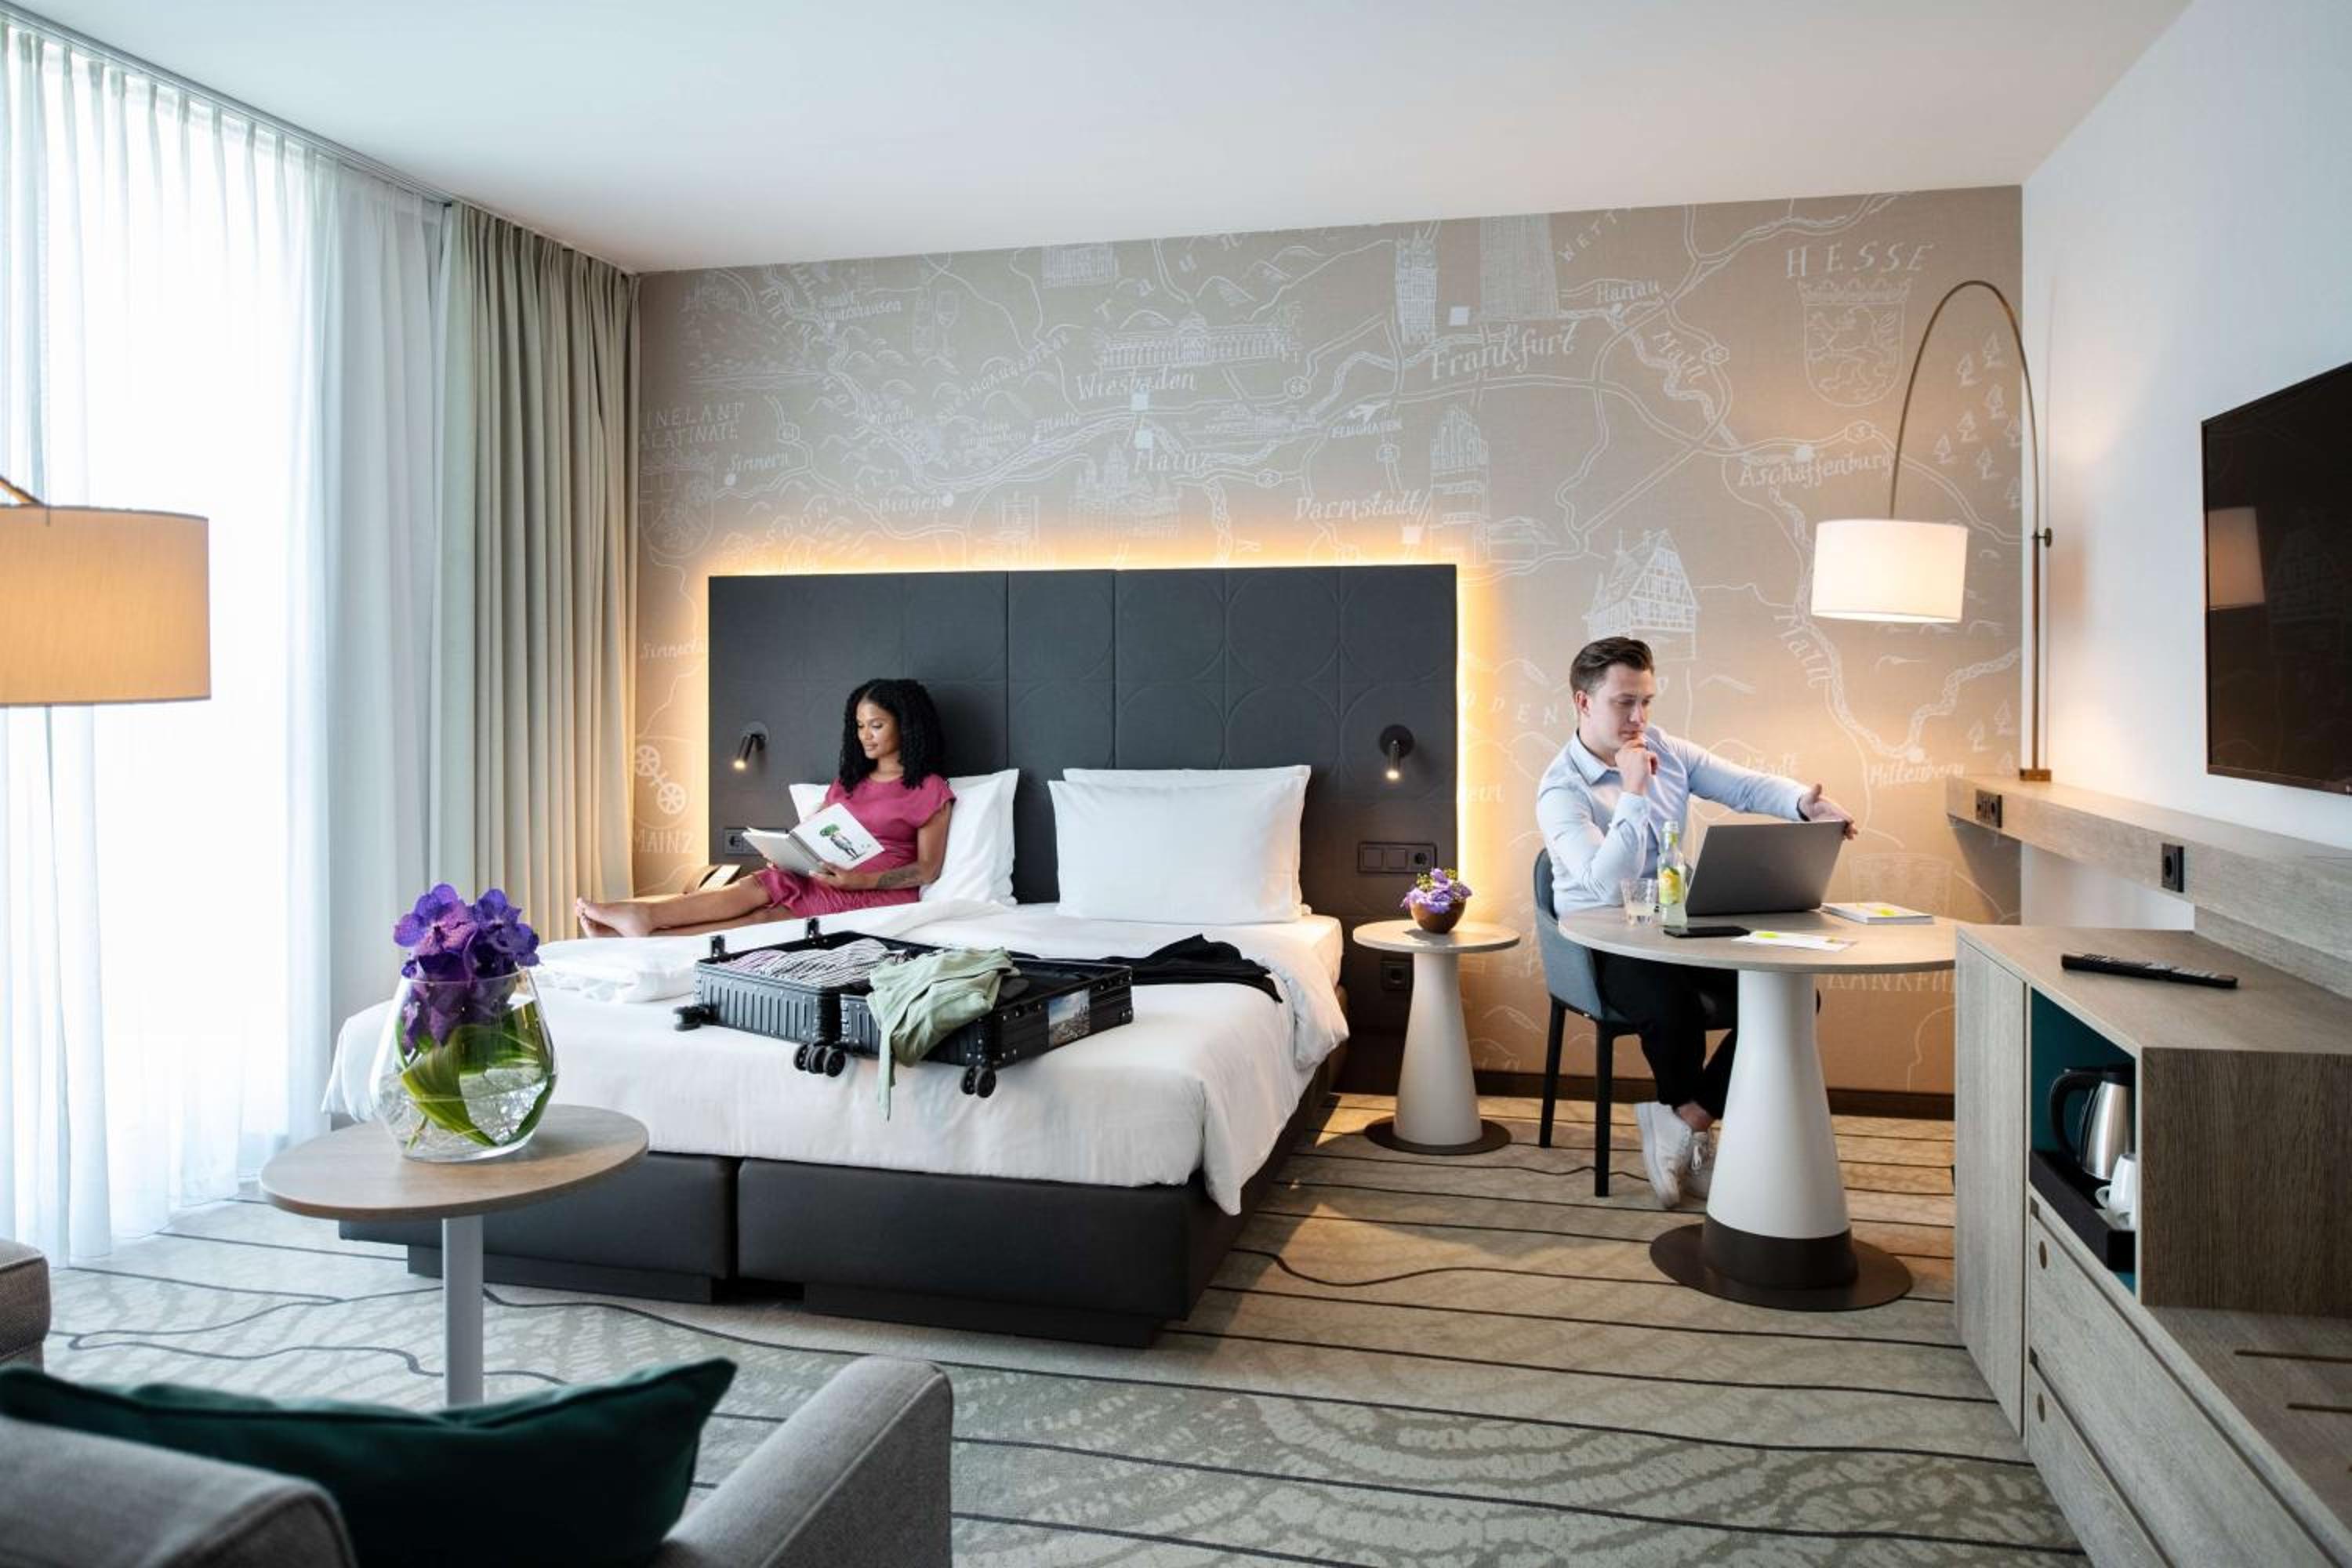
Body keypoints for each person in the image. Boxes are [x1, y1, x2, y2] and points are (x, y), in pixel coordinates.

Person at [1535, 637, 1856, 1210]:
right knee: (1672, 1005)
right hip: (1600, 939)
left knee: (1790, 998)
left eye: (1646, 702)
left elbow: (1745, 785)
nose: (1639, 718)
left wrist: (1803, 805)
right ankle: (1686, 1123)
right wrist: (1634, 791)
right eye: (1624, 703)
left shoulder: (1667, 749)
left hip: (1675, 925)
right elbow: (1605, 886)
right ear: (1583, 702)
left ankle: (1685, 1119)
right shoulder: (1562, 789)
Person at [577, 677, 955, 938]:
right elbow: (818, 831)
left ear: (905, 726)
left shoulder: (929, 788)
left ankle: (655, 938)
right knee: (754, 886)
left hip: (873, 893)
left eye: (876, 725)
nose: (864, 736)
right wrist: (792, 852)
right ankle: (645, 916)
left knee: (768, 918)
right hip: (825, 875)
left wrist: (860, 881)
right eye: (859, 726)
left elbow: (927, 869)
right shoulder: (848, 783)